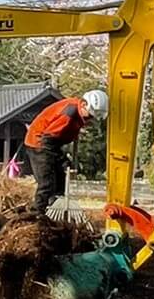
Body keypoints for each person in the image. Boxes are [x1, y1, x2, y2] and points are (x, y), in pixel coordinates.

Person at [22, 88, 106, 217]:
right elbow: (48, 139)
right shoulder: (69, 113)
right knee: (47, 182)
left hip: (52, 144)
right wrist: (52, 161)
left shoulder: (78, 112)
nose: (90, 120)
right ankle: (37, 214)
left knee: (62, 174)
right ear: (83, 104)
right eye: (89, 116)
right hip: (39, 143)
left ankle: (56, 206)